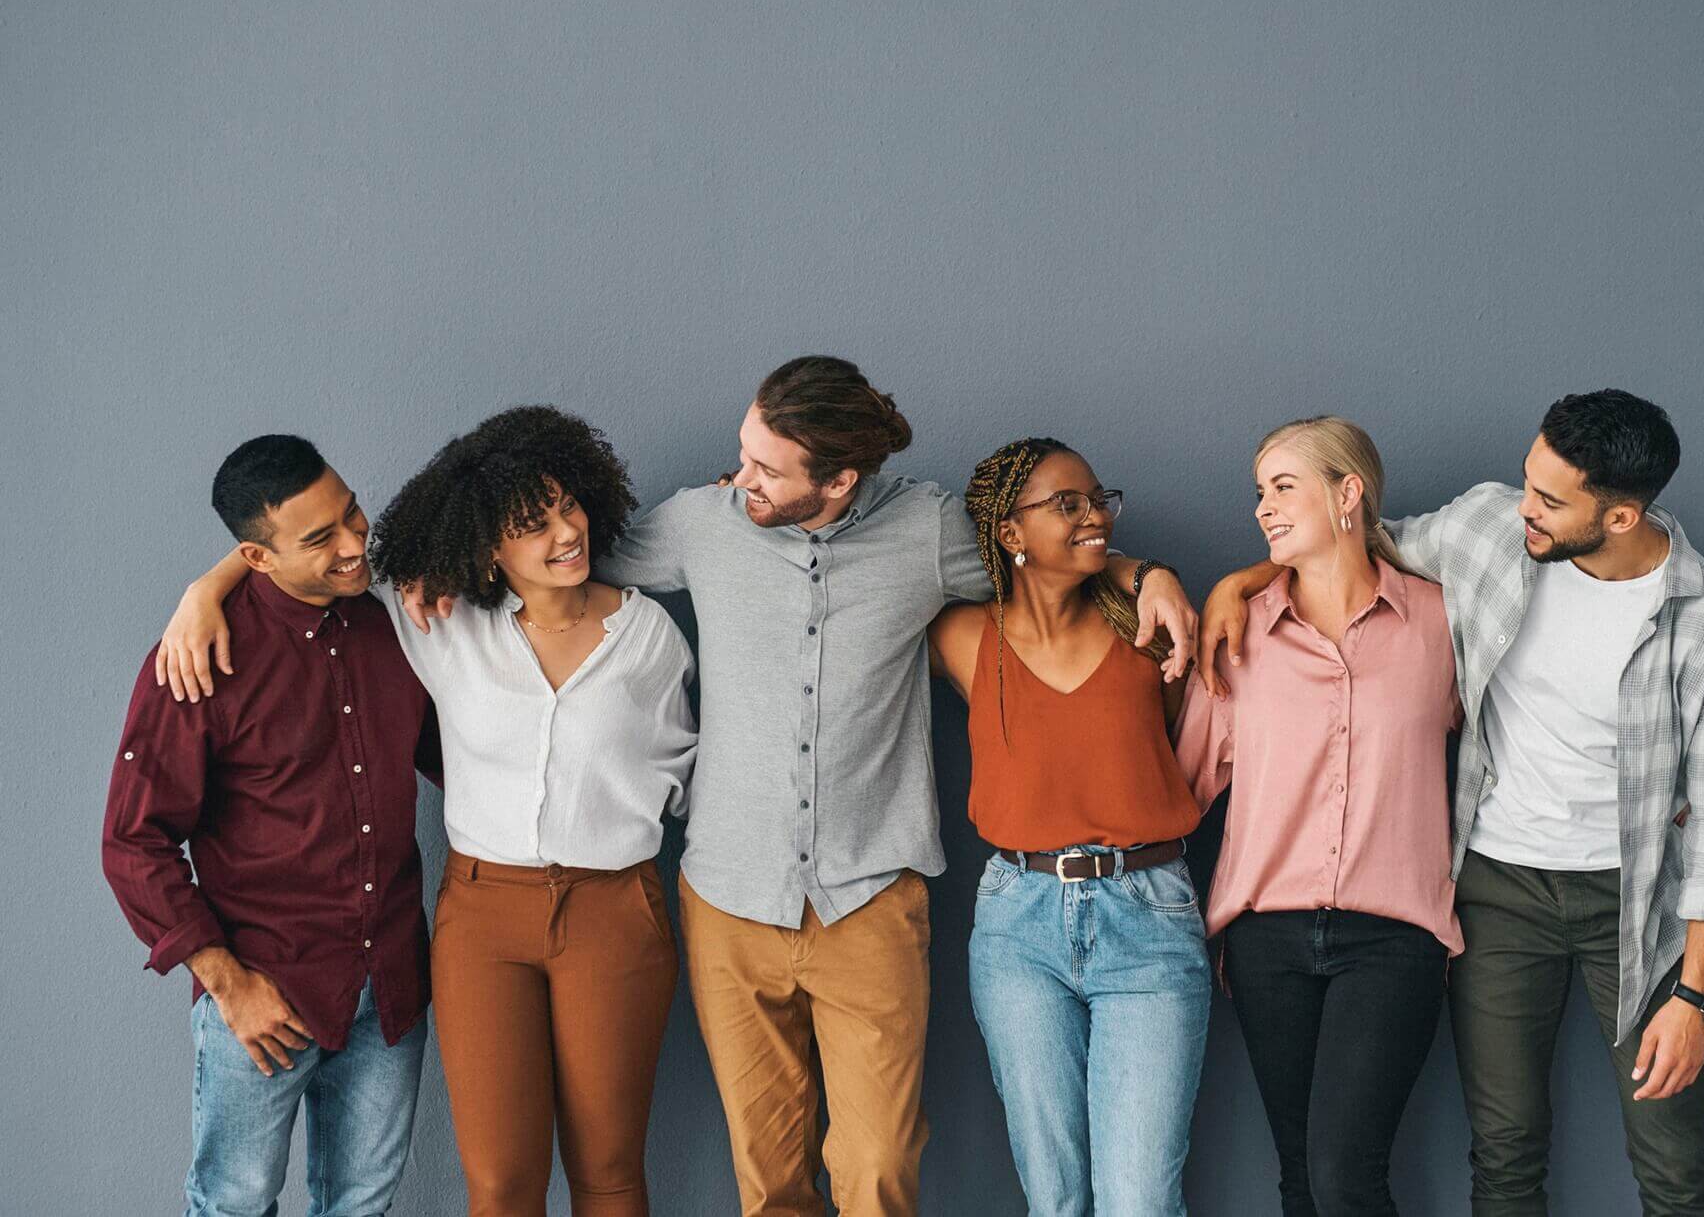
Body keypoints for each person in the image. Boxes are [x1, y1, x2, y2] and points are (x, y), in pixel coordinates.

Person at [381, 357, 1200, 1216]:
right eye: (744, 452)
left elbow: (1043, 546)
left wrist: (1145, 575)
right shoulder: (703, 522)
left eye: (766, 467)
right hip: (730, 902)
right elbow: (549, 553)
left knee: (878, 1166)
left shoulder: (928, 532)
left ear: (840, 478)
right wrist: (445, 564)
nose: (741, 478)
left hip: (871, 899)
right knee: (768, 1179)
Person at [1200, 391, 1704, 1216]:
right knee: (1504, 1152)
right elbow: (1354, 541)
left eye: (1549, 499)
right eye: (1527, 481)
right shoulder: (1490, 530)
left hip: (1633, 903)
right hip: (1498, 890)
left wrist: (1694, 999)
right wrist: (1238, 582)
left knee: (1672, 1157)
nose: (1523, 508)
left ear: (1619, 517)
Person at [157, 407, 696, 1216]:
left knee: (610, 1170)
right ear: (485, 545)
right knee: (500, 1184)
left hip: (614, 905)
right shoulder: (442, 624)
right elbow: (300, 563)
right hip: (482, 916)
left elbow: (681, 765)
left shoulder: (648, 636)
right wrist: (208, 587)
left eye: (566, 507)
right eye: (529, 523)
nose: (564, 534)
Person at [104, 435, 438, 1217]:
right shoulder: (199, 659)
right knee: (232, 1203)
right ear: (255, 555)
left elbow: (460, 757)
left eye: (352, 511)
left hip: (389, 984)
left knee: (363, 1205)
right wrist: (229, 984)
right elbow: (133, 842)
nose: (356, 543)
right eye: (321, 538)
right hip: (265, 994)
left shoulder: (394, 618)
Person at [1176, 417, 1461, 1216]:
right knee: (1301, 1178)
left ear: (1349, 492)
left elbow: (1511, 746)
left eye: (1283, 485)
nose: (1264, 507)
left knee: (1344, 1175)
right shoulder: (1238, 637)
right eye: (1258, 491)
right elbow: (1181, 786)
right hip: (1266, 937)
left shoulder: (1441, 624)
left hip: (1394, 937)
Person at [922, 437, 1209, 1216]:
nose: (1096, 517)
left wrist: (1148, 573)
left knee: (1140, 1200)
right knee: (1055, 1200)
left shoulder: (1147, 628)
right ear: (1010, 533)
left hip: (1149, 914)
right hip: (1019, 920)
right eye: (1068, 504)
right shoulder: (961, 634)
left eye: (1098, 500)